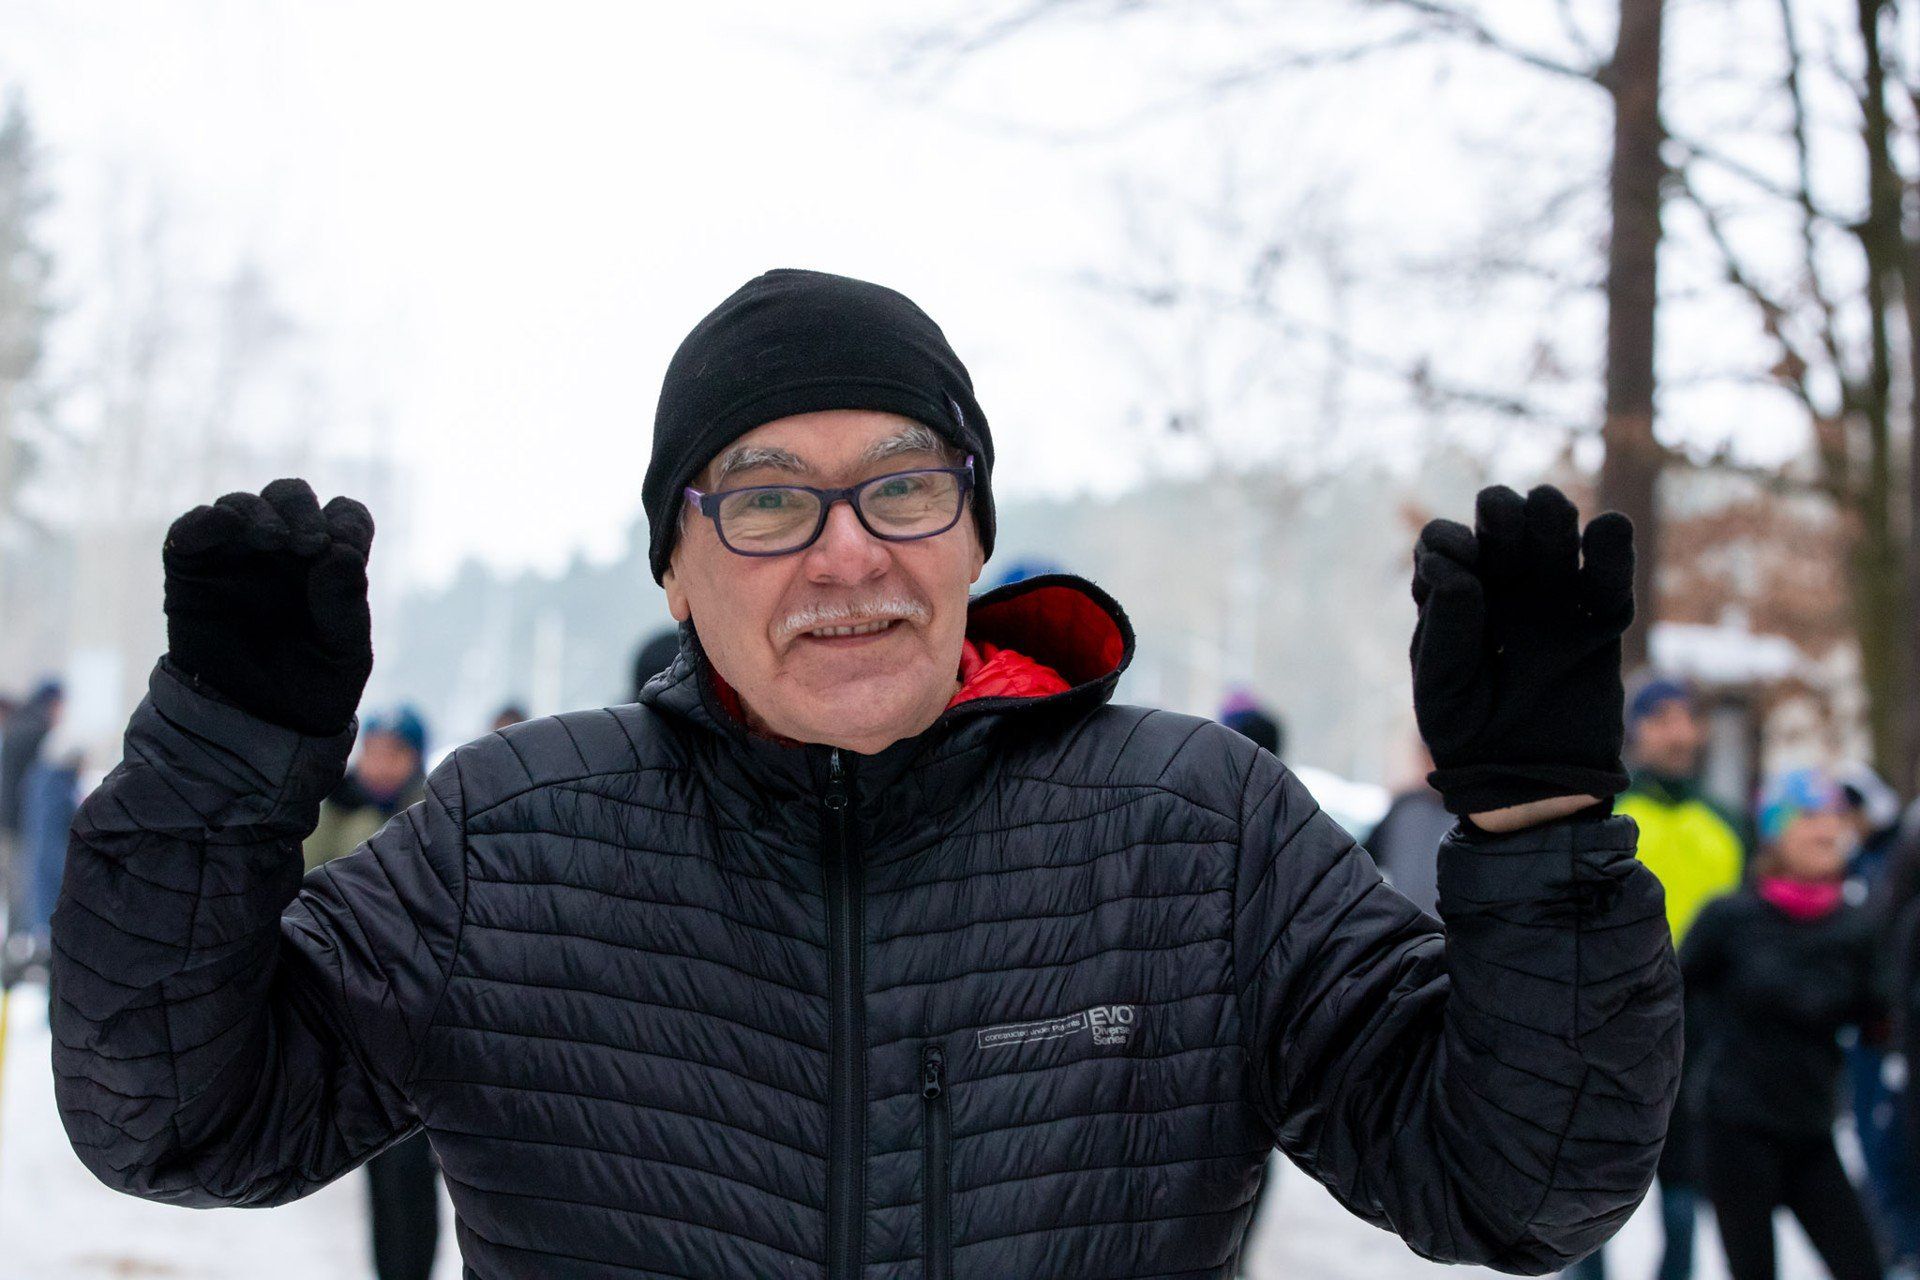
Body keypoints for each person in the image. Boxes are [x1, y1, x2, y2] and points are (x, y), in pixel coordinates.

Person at [53, 268, 1682, 1278]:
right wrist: (220, 766)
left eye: (901, 485)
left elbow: (1521, 1189)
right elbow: (177, 1124)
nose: (847, 555)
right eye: (763, 501)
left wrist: (1538, 833)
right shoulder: (512, 838)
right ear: (676, 575)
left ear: (973, 529)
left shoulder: (1197, 832)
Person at [1569, 677, 1746, 1280]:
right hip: (1606, 1034)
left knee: (1682, 1197)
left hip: (1699, 1040)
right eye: (1662, 718)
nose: (1679, 732)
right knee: (1586, 1190)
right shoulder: (1608, 817)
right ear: (1636, 729)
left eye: (1686, 718)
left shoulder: (1726, 825)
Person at [1682, 768, 1885, 1280]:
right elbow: (1671, 1004)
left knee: (1864, 1266)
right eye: (1810, 817)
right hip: (1736, 1131)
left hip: (1812, 1131)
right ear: (1776, 831)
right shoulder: (1730, 918)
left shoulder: (1856, 925)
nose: (1826, 831)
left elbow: (1881, 1016)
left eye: (1835, 817)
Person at [302, 706, 440, 1280]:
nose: (379, 763)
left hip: (414, 1019)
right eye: (373, 750)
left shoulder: (432, 815)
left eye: (393, 752)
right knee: (376, 1164)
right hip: (351, 1017)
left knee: (410, 1165)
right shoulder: (334, 806)